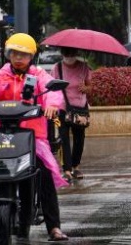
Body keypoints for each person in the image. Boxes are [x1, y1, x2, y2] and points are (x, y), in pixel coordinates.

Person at [0, 33, 69, 244]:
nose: (19, 58)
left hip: (32, 136)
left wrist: (52, 105)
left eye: (24, 54)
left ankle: (54, 226)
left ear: (31, 57)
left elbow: (52, 92)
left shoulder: (39, 76)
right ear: (8, 55)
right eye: (15, 53)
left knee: (44, 172)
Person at [50, 47, 90, 182]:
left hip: (80, 108)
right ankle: (67, 170)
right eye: (66, 53)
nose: (69, 56)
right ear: (62, 54)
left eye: (72, 53)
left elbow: (91, 86)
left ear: (77, 53)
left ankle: (75, 166)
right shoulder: (57, 68)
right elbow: (50, 87)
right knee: (64, 139)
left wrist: (86, 88)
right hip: (62, 108)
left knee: (80, 139)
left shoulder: (84, 67)